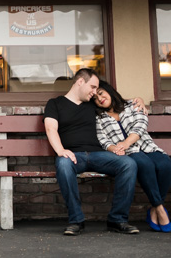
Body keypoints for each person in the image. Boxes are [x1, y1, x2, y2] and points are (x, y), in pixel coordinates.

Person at [44, 68, 139, 236]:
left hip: (99, 155)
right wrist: (61, 150)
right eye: (93, 87)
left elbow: (118, 102)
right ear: (80, 82)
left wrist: (140, 100)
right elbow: (51, 128)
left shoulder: (92, 105)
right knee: (63, 164)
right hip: (73, 156)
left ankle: (117, 219)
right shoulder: (55, 104)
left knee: (128, 164)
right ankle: (76, 221)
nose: (95, 93)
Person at [94, 79, 171, 233]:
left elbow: (141, 124)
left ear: (108, 91)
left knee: (165, 165)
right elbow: (103, 140)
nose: (99, 99)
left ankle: (153, 209)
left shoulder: (132, 105)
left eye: (101, 93)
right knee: (145, 165)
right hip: (129, 153)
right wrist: (115, 149)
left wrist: (125, 142)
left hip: (147, 146)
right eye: (95, 99)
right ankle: (160, 208)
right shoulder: (99, 118)